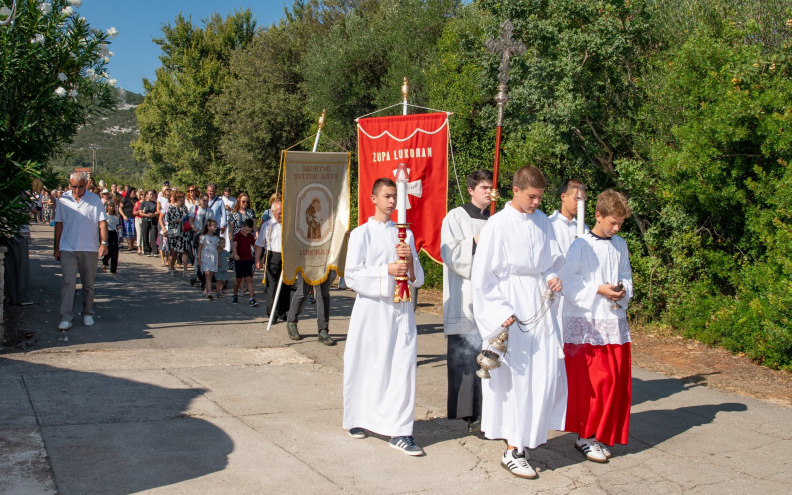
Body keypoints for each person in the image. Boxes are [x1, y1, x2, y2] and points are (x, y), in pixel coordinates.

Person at [471, 165, 567, 479]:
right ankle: (513, 449)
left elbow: (549, 264)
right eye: (532, 196)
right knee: (516, 380)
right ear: (515, 191)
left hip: (538, 306)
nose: (537, 203)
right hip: (510, 305)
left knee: (542, 375)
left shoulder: (542, 222)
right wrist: (499, 313)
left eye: (540, 197)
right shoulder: (497, 225)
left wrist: (553, 278)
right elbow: (482, 277)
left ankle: (526, 440)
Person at [342, 178, 425, 456]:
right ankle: (359, 417)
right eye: (387, 196)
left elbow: (418, 278)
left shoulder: (406, 235)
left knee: (402, 367)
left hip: (400, 311)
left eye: (394, 197)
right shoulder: (361, 234)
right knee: (367, 364)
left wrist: (409, 261)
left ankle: (401, 431)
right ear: (373, 198)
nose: (392, 201)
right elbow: (352, 275)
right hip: (371, 310)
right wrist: (386, 270)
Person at [559, 189, 633, 463]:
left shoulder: (620, 244)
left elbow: (625, 273)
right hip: (587, 325)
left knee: (613, 381)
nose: (616, 228)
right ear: (598, 215)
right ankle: (584, 435)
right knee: (594, 383)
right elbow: (569, 281)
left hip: (613, 321)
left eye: (620, 224)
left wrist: (623, 289)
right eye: (612, 222)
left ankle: (600, 433)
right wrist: (598, 289)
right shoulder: (581, 246)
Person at [440, 169, 492, 433]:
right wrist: (475, 241)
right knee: (465, 357)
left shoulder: (498, 220)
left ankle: (489, 412)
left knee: (488, 357)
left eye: (491, 187)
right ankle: (467, 414)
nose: (488, 191)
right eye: (483, 187)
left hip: (490, 300)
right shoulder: (455, 217)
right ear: (471, 190)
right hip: (465, 297)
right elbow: (449, 254)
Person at [54, 172, 108, 330]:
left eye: (80, 186)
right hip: (67, 248)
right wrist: (56, 247)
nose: (77, 190)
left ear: (87, 184)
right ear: (69, 184)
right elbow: (59, 224)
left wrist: (103, 243)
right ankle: (65, 317)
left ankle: (88, 313)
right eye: (74, 186)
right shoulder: (63, 199)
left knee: (88, 284)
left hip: (89, 248)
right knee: (68, 282)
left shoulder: (94, 199)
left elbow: (102, 222)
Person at [254, 199, 290, 323]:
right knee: (272, 285)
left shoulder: (288, 224)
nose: (281, 215)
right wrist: (257, 260)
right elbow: (259, 244)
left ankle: (283, 311)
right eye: (279, 213)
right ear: (273, 212)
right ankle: (271, 313)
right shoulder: (267, 225)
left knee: (286, 285)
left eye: (283, 213)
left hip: (286, 256)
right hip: (273, 255)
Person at [3, 193, 33, 306]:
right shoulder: (23, 195)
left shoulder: (6, 193)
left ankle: (13, 297)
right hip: (20, 234)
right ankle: (23, 297)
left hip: (7, 233)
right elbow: (33, 209)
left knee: (10, 267)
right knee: (22, 267)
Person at [549, 179, 590, 256]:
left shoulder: (585, 229)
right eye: (576, 199)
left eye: (582, 200)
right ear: (563, 197)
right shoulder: (549, 224)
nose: (580, 203)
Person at [232, 218, 257, 306]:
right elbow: (234, 245)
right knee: (238, 279)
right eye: (246, 230)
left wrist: (258, 257)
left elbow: (255, 245)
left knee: (249, 279)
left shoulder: (250, 236)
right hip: (239, 260)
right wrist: (235, 254)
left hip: (248, 260)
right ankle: (235, 295)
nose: (247, 232)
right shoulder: (237, 235)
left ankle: (251, 299)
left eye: (249, 230)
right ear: (242, 226)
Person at [166, 191, 190, 277]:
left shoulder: (184, 208)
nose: (184, 199)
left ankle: (185, 270)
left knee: (184, 251)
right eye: (182, 198)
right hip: (174, 233)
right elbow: (168, 219)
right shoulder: (171, 208)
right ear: (178, 198)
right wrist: (179, 220)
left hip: (183, 233)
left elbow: (187, 218)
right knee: (173, 251)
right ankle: (171, 267)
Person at [197, 219, 219, 299]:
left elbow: (217, 249)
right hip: (206, 257)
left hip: (213, 258)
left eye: (216, 226)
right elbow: (200, 248)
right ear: (208, 227)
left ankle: (206, 290)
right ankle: (210, 292)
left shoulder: (216, 238)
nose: (215, 228)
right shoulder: (203, 237)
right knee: (207, 275)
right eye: (214, 226)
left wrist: (218, 260)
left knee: (210, 275)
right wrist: (199, 258)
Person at [206, 183, 227, 251]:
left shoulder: (219, 201)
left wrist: (223, 225)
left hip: (216, 227)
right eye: (208, 190)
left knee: (215, 244)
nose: (210, 192)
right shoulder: (205, 200)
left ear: (215, 191)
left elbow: (224, 214)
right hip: (206, 226)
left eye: (211, 191)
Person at [101, 200, 120, 274]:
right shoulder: (105, 215)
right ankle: (105, 261)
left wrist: (118, 227)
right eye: (110, 206)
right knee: (109, 250)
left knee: (115, 251)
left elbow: (117, 225)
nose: (111, 208)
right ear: (108, 207)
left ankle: (113, 269)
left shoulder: (116, 216)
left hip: (113, 232)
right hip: (107, 232)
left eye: (113, 206)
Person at [139, 190, 159, 257]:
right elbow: (140, 212)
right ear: (147, 195)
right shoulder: (143, 203)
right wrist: (147, 215)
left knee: (153, 235)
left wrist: (153, 214)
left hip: (153, 220)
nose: (151, 196)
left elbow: (158, 211)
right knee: (145, 235)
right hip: (145, 219)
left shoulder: (155, 203)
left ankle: (154, 250)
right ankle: (147, 250)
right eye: (150, 194)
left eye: (152, 194)